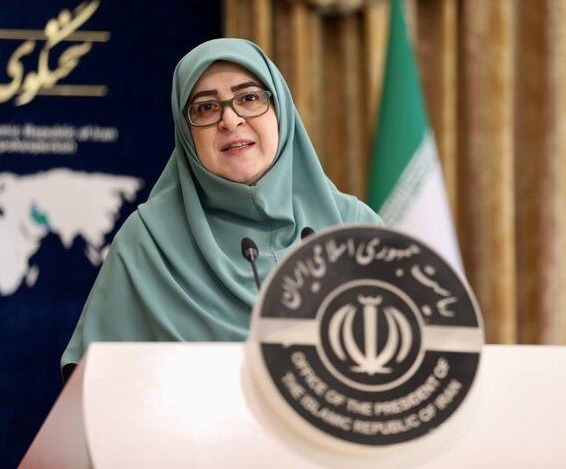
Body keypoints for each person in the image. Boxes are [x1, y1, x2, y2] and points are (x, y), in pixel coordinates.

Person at [60, 39, 382, 380]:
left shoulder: (353, 228)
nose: (230, 120)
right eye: (206, 108)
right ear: (186, 133)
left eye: (249, 98)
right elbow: (95, 384)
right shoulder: (149, 241)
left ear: (281, 111)